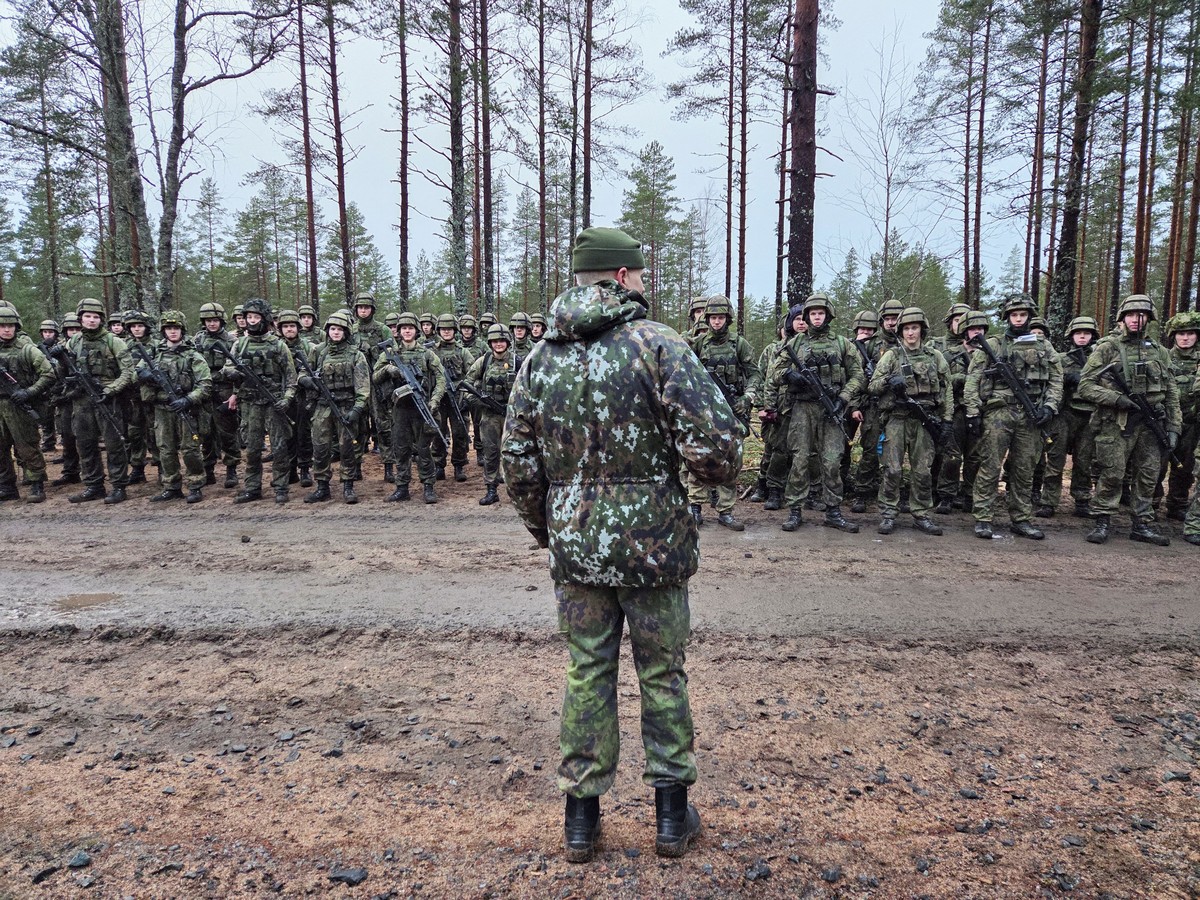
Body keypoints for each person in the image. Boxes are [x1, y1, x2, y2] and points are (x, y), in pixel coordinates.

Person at [502, 226, 741, 862]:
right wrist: (695, 484)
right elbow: (717, 450)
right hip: (656, 546)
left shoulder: (539, 359)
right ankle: (670, 817)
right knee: (662, 671)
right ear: (623, 277)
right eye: (639, 273)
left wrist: (552, 530)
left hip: (577, 548)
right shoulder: (658, 345)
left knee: (587, 670)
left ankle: (580, 822)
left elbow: (517, 464)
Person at [1077, 295, 1181, 546]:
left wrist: (1174, 427)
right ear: (1122, 318)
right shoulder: (1107, 347)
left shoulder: (1158, 351)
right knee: (1112, 473)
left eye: (1141, 315)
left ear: (1149, 319)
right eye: (1131, 315)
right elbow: (1085, 385)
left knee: (1148, 474)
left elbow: (1171, 390)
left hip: (1151, 422)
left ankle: (1142, 524)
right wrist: (1116, 398)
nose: (1136, 320)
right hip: (1116, 421)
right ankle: (1103, 520)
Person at [963, 294, 1062, 540]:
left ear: (1030, 316)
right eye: (1014, 315)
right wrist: (973, 412)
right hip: (999, 412)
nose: (1018, 319)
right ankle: (983, 517)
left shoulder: (1043, 346)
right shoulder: (994, 344)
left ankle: (1020, 518)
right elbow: (973, 379)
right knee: (990, 465)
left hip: (1031, 415)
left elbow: (1056, 379)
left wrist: (1049, 407)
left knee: (1024, 468)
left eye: (1023, 315)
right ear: (1007, 317)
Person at [764, 292, 865, 533]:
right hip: (802, 409)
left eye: (820, 313)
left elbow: (858, 375)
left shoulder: (842, 344)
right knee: (799, 459)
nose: (816, 318)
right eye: (812, 314)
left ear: (827, 315)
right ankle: (795, 510)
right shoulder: (795, 343)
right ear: (807, 317)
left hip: (832, 409)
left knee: (831, 460)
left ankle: (833, 511)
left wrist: (843, 398)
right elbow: (775, 374)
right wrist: (790, 375)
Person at [868, 307, 952, 535]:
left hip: (925, 421)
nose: (910, 333)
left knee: (922, 471)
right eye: (906, 328)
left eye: (914, 328)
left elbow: (947, 390)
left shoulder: (935, 357)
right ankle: (888, 514)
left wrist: (947, 420)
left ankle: (921, 514)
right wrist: (889, 382)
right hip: (896, 419)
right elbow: (873, 386)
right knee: (892, 469)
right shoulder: (891, 356)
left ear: (922, 330)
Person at [685, 295, 758, 530]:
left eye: (721, 317)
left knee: (730, 458)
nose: (717, 322)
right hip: (704, 411)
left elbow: (755, 374)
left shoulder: (739, 344)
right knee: (699, 455)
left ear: (728, 319)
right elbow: (680, 357)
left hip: (730, 410)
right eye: (713, 318)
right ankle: (695, 506)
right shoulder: (698, 343)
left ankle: (726, 510)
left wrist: (748, 398)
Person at [221, 299, 297, 504]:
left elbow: (291, 378)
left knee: (279, 447)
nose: (252, 321)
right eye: (248, 317)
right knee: (253, 448)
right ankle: (252, 487)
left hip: (273, 403)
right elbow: (226, 368)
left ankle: (281, 486)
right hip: (250, 403)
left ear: (264, 319)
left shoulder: (278, 345)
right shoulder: (240, 344)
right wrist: (235, 373)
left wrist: (287, 399)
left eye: (255, 317)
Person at [61, 298, 136, 504]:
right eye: (87, 316)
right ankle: (94, 485)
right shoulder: (74, 342)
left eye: (95, 317)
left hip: (107, 400)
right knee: (85, 444)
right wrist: (60, 359)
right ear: (80, 318)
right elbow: (64, 371)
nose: (92, 320)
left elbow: (128, 372)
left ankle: (119, 486)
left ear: (101, 319)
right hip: (81, 400)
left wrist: (111, 389)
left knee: (114, 445)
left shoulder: (114, 341)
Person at [140, 311, 212, 504]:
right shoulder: (154, 353)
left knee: (190, 449)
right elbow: (136, 373)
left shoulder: (192, 355)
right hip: (162, 409)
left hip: (186, 408)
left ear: (182, 330)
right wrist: (145, 375)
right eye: (169, 328)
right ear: (163, 331)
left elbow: (205, 384)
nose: (173, 332)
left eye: (176, 328)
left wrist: (188, 400)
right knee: (165, 449)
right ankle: (171, 486)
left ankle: (195, 485)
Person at [374, 311, 445, 503]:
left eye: (410, 328)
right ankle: (402, 487)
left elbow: (441, 378)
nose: (407, 331)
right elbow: (374, 376)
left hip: (421, 407)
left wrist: (435, 400)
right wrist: (389, 369)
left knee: (423, 449)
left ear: (417, 331)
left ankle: (428, 487)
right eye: (403, 328)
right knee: (401, 449)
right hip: (400, 409)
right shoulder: (390, 354)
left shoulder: (427, 354)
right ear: (398, 331)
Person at [303, 310, 370, 504]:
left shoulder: (355, 355)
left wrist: (357, 409)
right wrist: (308, 381)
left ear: (346, 332)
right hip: (322, 406)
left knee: (347, 447)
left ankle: (348, 486)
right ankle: (322, 486)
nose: (336, 333)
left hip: (346, 405)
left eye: (340, 329)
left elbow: (363, 386)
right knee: (320, 446)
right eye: (333, 329)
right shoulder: (318, 351)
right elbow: (301, 373)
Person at [1039, 316, 1100, 518]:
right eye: (1078, 333)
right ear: (1071, 335)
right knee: (1056, 460)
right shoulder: (1061, 358)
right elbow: (1050, 379)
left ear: (1093, 336)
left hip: (1090, 415)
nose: (1082, 337)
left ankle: (1082, 500)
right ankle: (1048, 501)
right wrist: (1068, 378)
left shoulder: (1099, 358)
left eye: (1087, 333)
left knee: (1084, 461)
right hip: (1064, 414)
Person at [935, 310, 988, 513]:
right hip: (955, 409)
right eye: (973, 329)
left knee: (975, 456)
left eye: (981, 329)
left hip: (980, 410)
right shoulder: (949, 354)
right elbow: (941, 381)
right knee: (951, 456)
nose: (977, 333)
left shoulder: (990, 355)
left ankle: (969, 495)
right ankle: (946, 495)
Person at [0, 306, 54, 503]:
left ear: (17, 327)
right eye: (2, 326)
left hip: (19, 405)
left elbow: (48, 373)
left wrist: (29, 392)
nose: (6, 330)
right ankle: (6, 486)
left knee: (27, 446)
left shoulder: (27, 349)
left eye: (10, 326)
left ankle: (36, 484)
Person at [464, 323, 517, 505]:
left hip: (512, 416)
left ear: (508, 342)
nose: (499, 344)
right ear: (490, 342)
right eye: (495, 341)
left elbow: (528, 387)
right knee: (490, 453)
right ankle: (491, 490)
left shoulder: (518, 361)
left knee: (514, 453)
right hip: (489, 416)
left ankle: (515, 491)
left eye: (502, 340)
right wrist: (479, 402)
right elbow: (467, 384)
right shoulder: (483, 361)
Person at [193, 302, 241, 488]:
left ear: (221, 320)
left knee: (227, 432)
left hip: (224, 390)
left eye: (214, 320)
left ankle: (231, 469)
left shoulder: (231, 341)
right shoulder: (197, 340)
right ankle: (209, 469)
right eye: (208, 320)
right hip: (203, 392)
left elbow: (238, 370)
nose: (211, 324)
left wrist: (235, 393)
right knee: (205, 433)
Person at [1163, 312, 1200, 520]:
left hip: (1192, 422)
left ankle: (1177, 505)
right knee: (1155, 466)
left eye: (1190, 334)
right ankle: (1150, 503)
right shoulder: (1163, 357)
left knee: (1184, 466)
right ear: (1173, 336)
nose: (1185, 338)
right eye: (1181, 334)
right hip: (1164, 420)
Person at [431, 313, 473, 482]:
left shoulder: (463, 352)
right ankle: (438, 465)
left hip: (458, 396)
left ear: (455, 331)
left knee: (460, 431)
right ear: (438, 330)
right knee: (438, 431)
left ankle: (458, 465)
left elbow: (471, 374)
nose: (446, 332)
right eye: (443, 329)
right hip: (439, 396)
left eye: (449, 329)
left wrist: (466, 395)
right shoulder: (431, 351)